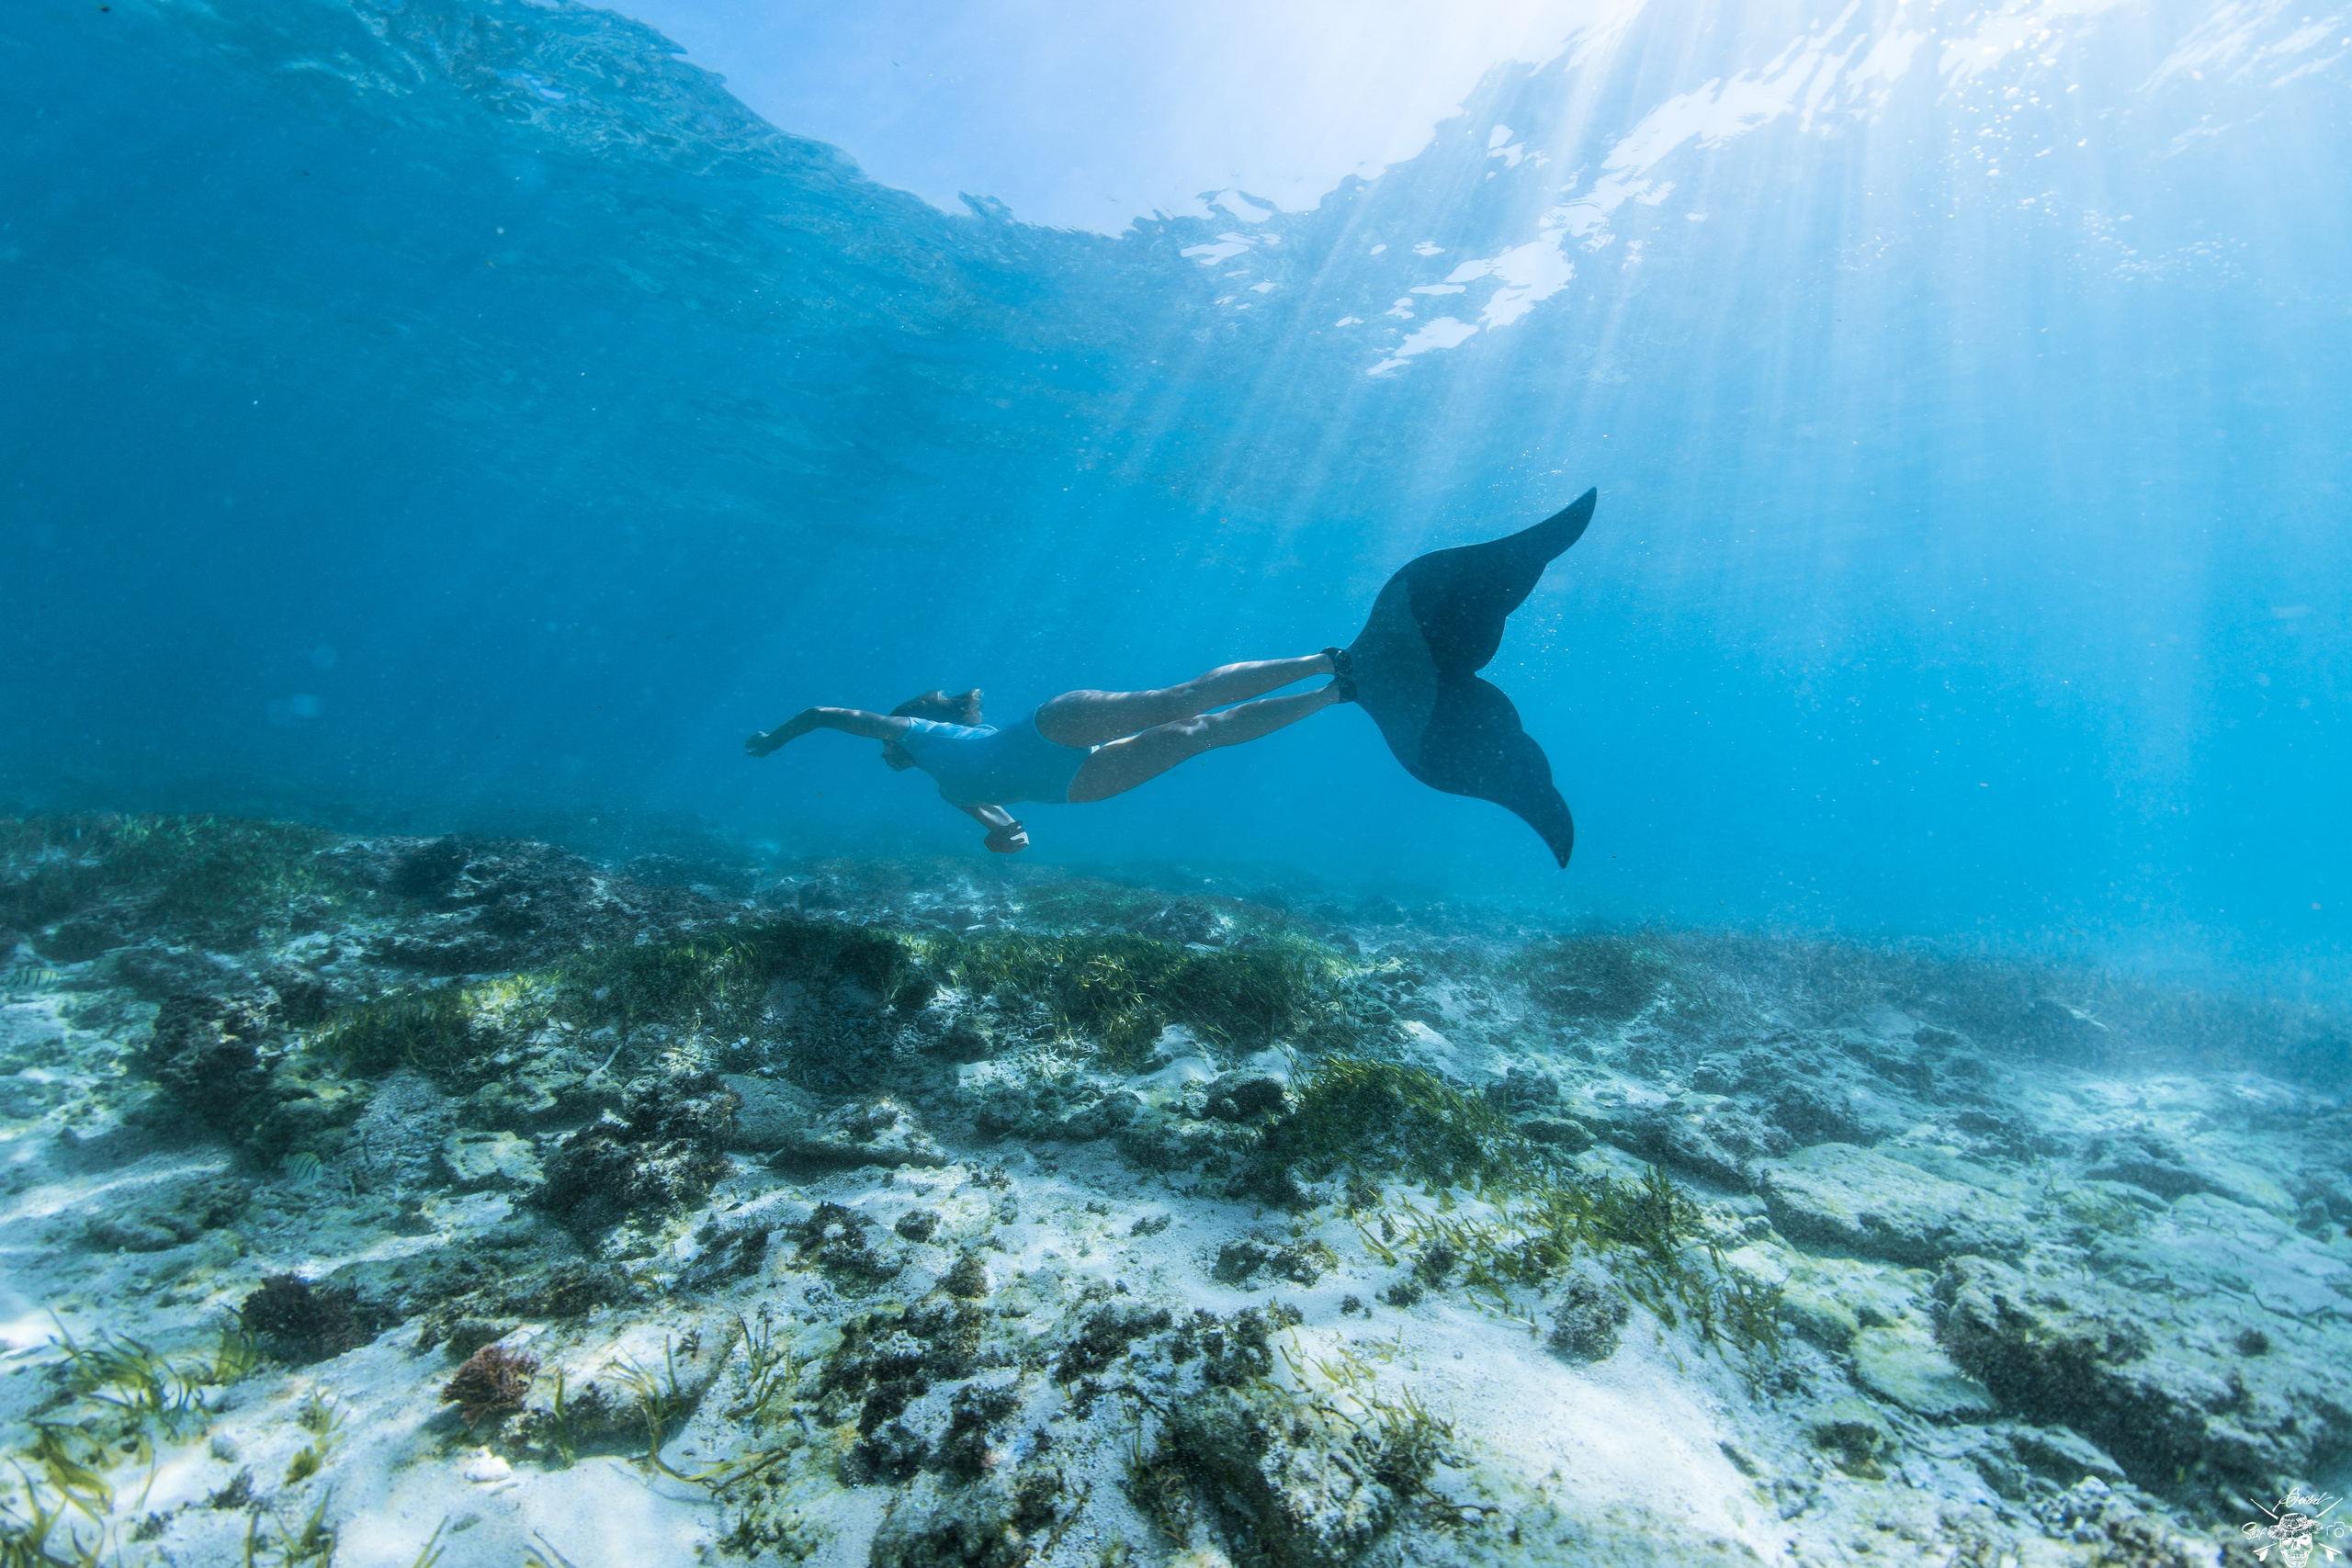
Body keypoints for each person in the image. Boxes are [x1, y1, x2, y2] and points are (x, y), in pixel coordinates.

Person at [745, 649, 1356, 853]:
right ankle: (1336, 692)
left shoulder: (908, 731)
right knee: (1204, 733)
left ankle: (1326, 659)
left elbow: (824, 714)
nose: (882, 757)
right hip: (1073, 782)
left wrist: (772, 742)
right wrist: (1001, 838)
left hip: (1046, 732)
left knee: (1180, 701)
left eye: (882, 748)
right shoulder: (950, 790)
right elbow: (1015, 835)